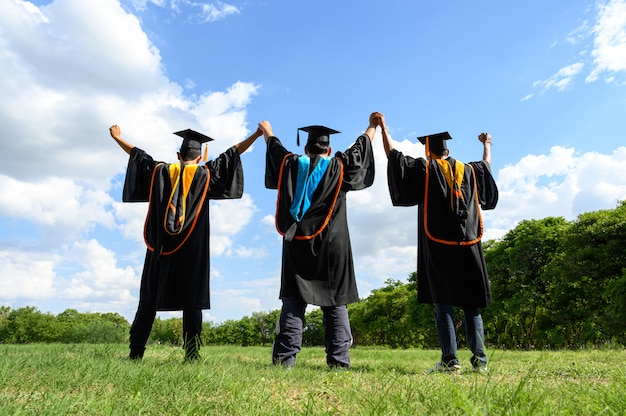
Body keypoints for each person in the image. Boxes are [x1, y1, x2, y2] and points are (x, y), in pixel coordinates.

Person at [109, 124, 261, 360]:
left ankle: (136, 352)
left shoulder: (160, 172)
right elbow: (233, 153)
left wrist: (117, 137)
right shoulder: (206, 174)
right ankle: (191, 354)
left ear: (178, 156)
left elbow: (139, 156)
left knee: (149, 298)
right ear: (199, 157)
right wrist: (257, 134)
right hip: (193, 250)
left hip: (160, 248)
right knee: (192, 300)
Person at [376, 112, 498, 374]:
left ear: (428, 151)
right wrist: (486, 144)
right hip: (469, 245)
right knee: (471, 304)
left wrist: (384, 128)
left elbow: (393, 156)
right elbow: (486, 166)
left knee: (443, 303)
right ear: (448, 150)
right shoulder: (470, 171)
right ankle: (480, 363)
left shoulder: (425, 168)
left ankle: (450, 361)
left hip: (438, 247)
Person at [258, 114, 377, 368]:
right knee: (335, 303)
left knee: (293, 300)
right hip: (333, 248)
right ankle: (339, 362)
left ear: (305, 148)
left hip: (296, 244)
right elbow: (361, 148)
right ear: (329, 149)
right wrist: (372, 126)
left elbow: (275, 148)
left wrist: (267, 130)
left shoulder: (290, 165)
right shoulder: (340, 167)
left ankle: (284, 362)